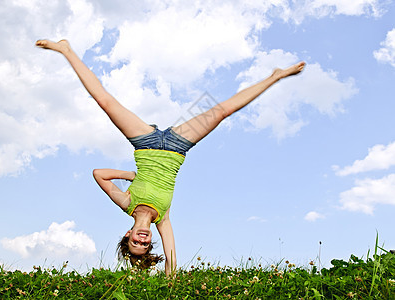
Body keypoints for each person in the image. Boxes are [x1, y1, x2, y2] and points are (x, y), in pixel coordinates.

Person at [36, 39, 305, 275]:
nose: (141, 241)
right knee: (222, 111)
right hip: (176, 147)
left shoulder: (126, 202)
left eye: (135, 243)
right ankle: (276, 76)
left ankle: (66, 50)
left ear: (128, 235)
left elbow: (99, 174)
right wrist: (169, 280)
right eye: (145, 244)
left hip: (145, 143)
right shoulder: (162, 218)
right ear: (149, 238)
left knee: (105, 101)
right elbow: (172, 258)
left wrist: (133, 175)